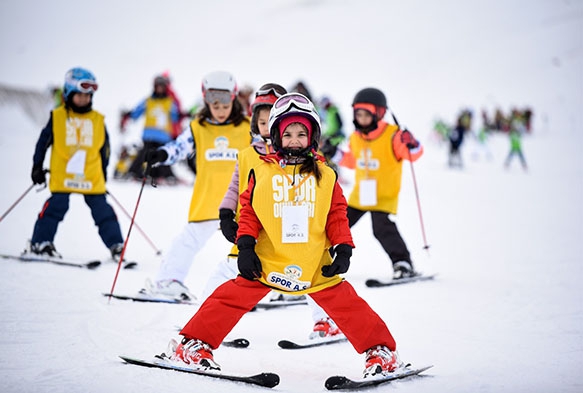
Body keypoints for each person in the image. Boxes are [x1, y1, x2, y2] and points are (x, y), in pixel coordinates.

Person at [158, 92, 404, 378]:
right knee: (227, 298)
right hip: (268, 261)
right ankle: (193, 345)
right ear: (276, 136)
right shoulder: (262, 172)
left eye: (302, 133)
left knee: (349, 305)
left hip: (313, 265)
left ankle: (380, 352)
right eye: (288, 134)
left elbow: (337, 213)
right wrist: (246, 247)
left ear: (312, 137)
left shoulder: (325, 174)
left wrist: (343, 247)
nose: (295, 140)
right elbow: (249, 211)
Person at [204, 84, 343, 340]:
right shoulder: (248, 156)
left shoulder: (305, 155)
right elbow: (235, 187)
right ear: (255, 123)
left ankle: (324, 321)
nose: (266, 126)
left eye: (271, 121)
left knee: (315, 275)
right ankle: (204, 321)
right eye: (262, 121)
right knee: (226, 273)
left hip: (294, 231)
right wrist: (226, 215)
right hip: (255, 230)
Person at [140, 71, 250, 300]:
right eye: (215, 105)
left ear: (234, 99)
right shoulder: (198, 127)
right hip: (208, 197)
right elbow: (178, 147)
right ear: (206, 101)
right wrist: (161, 154)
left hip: (241, 201)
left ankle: (247, 288)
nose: (220, 111)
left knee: (248, 244)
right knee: (188, 240)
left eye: (224, 105)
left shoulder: (247, 128)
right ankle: (167, 281)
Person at [27, 67, 124, 259]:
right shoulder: (58, 117)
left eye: (88, 96)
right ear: (69, 93)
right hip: (63, 173)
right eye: (80, 95)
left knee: (102, 210)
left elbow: (105, 149)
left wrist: (103, 173)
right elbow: (42, 144)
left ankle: (116, 246)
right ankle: (41, 243)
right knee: (57, 206)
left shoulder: (97, 119)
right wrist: (37, 166)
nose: (84, 99)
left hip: (91, 174)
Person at [340, 87, 423, 280]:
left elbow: (413, 155)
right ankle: (321, 263)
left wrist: (413, 144)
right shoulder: (355, 137)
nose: (361, 119)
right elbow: (353, 161)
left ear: (379, 113)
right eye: (358, 114)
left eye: (366, 114)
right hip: (360, 195)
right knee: (339, 225)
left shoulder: (394, 136)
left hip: (383, 195)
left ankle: (403, 264)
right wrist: (337, 154)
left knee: (382, 229)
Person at [122, 75, 180, 182]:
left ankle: (167, 175)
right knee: (145, 153)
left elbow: (175, 117)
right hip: (149, 134)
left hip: (163, 135)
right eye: (158, 86)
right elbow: (137, 112)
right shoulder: (148, 101)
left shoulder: (169, 102)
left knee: (163, 154)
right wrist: (129, 114)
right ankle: (134, 171)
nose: (160, 89)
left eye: (162, 86)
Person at [317, 95, 345, 169]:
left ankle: (332, 166)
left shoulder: (333, 111)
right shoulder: (327, 112)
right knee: (323, 148)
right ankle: (328, 164)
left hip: (335, 136)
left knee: (329, 149)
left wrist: (336, 133)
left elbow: (340, 124)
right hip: (330, 135)